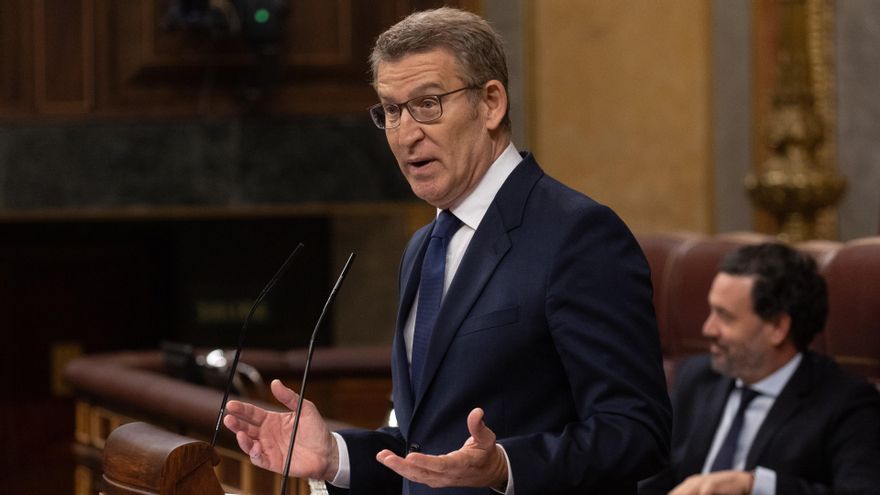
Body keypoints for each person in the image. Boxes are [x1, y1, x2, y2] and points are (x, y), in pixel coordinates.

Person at [224, 7, 672, 494]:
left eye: (428, 104)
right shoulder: (422, 248)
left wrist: (505, 467)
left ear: (491, 103)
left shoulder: (578, 235)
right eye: (391, 110)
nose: (406, 133)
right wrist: (336, 456)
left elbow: (637, 432)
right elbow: (425, 445)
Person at [639, 243, 880, 495]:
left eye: (725, 316)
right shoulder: (697, 378)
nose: (708, 329)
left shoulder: (846, 403)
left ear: (777, 327)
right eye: (711, 311)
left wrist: (752, 485)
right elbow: (652, 476)